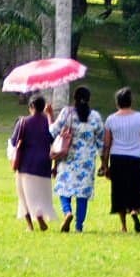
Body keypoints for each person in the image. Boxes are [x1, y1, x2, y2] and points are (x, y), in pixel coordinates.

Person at [101, 86, 140, 232]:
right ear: (131, 101)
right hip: (135, 159)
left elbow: (106, 145)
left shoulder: (111, 120)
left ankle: (123, 226)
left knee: (119, 191)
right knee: (136, 188)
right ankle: (134, 210)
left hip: (117, 159)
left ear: (117, 102)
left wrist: (104, 165)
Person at [50, 85, 106, 232]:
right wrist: (104, 163)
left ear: (74, 98)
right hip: (87, 162)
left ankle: (67, 212)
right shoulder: (95, 117)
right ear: (89, 99)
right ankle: (79, 227)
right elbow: (101, 143)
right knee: (82, 194)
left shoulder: (66, 113)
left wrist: (49, 115)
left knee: (64, 188)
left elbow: (53, 131)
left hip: (68, 158)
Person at [10, 94, 56, 231]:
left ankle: (31, 225)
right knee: (40, 194)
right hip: (44, 164)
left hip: (26, 163)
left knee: (24, 195)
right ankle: (40, 215)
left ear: (31, 107)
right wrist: (50, 116)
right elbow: (53, 137)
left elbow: (14, 141)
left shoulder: (23, 121)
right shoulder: (47, 122)